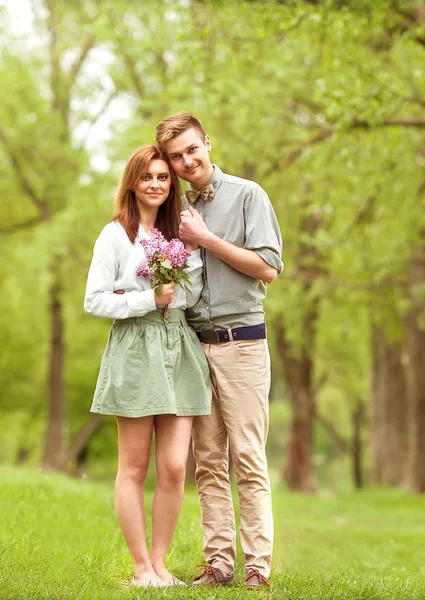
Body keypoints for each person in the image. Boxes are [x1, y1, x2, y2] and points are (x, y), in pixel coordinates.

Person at [155, 113, 284, 589]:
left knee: (248, 457)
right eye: (176, 156)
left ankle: (257, 568)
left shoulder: (249, 195)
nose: (187, 161)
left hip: (242, 345)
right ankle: (219, 564)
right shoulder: (174, 208)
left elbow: (268, 268)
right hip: (195, 347)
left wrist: (205, 239)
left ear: (207, 142)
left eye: (192, 149)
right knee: (207, 462)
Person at [83, 144, 212, 588]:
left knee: (175, 466)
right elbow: (95, 299)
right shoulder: (115, 234)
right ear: (132, 183)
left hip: (179, 344)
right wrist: (145, 298)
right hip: (135, 347)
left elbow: (192, 294)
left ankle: (160, 565)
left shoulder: (182, 233)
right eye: (147, 177)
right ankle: (141, 569)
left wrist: (177, 288)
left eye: (163, 177)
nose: (156, 184)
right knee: (134, 468)